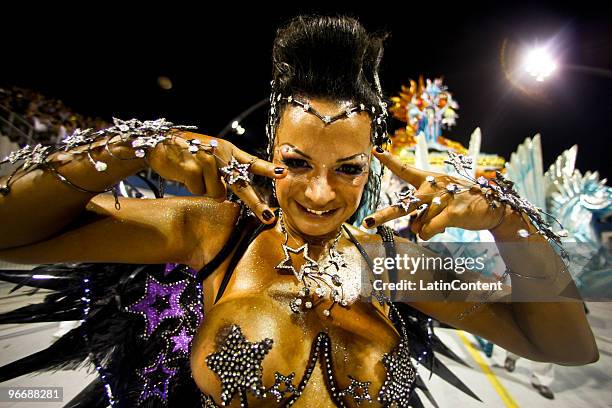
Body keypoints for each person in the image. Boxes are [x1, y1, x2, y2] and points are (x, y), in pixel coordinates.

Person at [0, 15, 598, 408]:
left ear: (372, 166)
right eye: (297, 163)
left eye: (348, 169)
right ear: (269, 154)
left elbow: (565, 344)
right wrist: (134, 147)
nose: (319, 194)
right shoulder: (214, 233)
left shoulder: (392, 266)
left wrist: (505, 219)